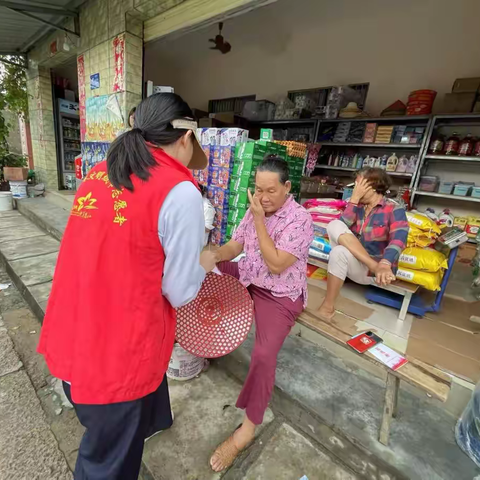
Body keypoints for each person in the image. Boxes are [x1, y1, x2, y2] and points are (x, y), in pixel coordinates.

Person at [37, 93, 218, 480]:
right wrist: (206, 261)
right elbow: (180, 290)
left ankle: (151, 422)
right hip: (115, 360)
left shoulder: (99, 172)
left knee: (125, 423)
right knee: (106, 464)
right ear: (186, 138)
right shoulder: (181, 191)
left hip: (72, 336)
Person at [209, 156, 314, 472]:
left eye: (270, 191)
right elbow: (233, 247)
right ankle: (200, 344)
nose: (263, 197)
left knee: (264, 354)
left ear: (287, 187)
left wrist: (258, 219)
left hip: (279, 294)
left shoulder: (300, 219)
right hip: (249, 274)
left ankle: (247, 429)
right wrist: (210, 256)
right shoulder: (255, 208)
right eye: (258, 190)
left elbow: (277, 264)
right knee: (197, 274)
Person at [318, 167, 409, 320]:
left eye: (359, 185)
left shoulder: (393, 208)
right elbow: (341, 227)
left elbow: (398, 239)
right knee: (335, 230)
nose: (356, 189)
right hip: (364, 265)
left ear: (372, 186)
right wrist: (353, 200)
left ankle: (375, 266)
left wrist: (385, 264)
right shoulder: (356, 206)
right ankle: (328, 307)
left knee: (339, 245)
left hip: (377, 273)